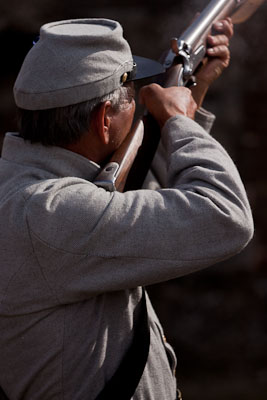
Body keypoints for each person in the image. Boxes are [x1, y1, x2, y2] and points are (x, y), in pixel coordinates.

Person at [0, 17, 253, 400]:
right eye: (131, 98)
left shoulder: (28, 190)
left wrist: (192, 92)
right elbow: (224, 216)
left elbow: (140, 211)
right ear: (104, 120)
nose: (138, 104)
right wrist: (179, 123)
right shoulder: (51, 212)